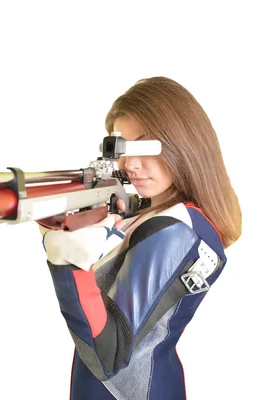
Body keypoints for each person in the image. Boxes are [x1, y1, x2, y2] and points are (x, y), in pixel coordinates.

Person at [38, 76, 242, 400]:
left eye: (145, 146)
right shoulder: (163, 217)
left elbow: (110, 353)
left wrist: (69, 264)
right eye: (122, 148)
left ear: (183, 145)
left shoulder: (174, 229)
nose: (130, 164)